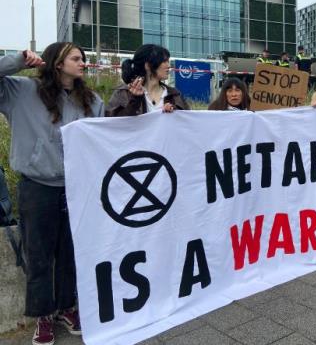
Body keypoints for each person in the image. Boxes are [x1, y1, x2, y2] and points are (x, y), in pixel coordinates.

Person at [0, 43, 105, 345]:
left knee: (72, 252)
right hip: (37, 186)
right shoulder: (21, 91)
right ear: (57, 62)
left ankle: (67, 307)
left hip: (76, 188)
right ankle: (43, 315)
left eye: (83, 59)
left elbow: (105, 139)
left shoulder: (93, 100)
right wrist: (18, 61)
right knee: (40, 254)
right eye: (76, 58)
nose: (83, 63)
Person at [106, 44, 188, 116]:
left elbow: (187, 123)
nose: (169, 66)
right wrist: (134, 102)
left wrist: (173, 113)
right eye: (164, 61)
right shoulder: (123, 93)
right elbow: (113, 124)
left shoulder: (175, 95)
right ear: (148, 66)